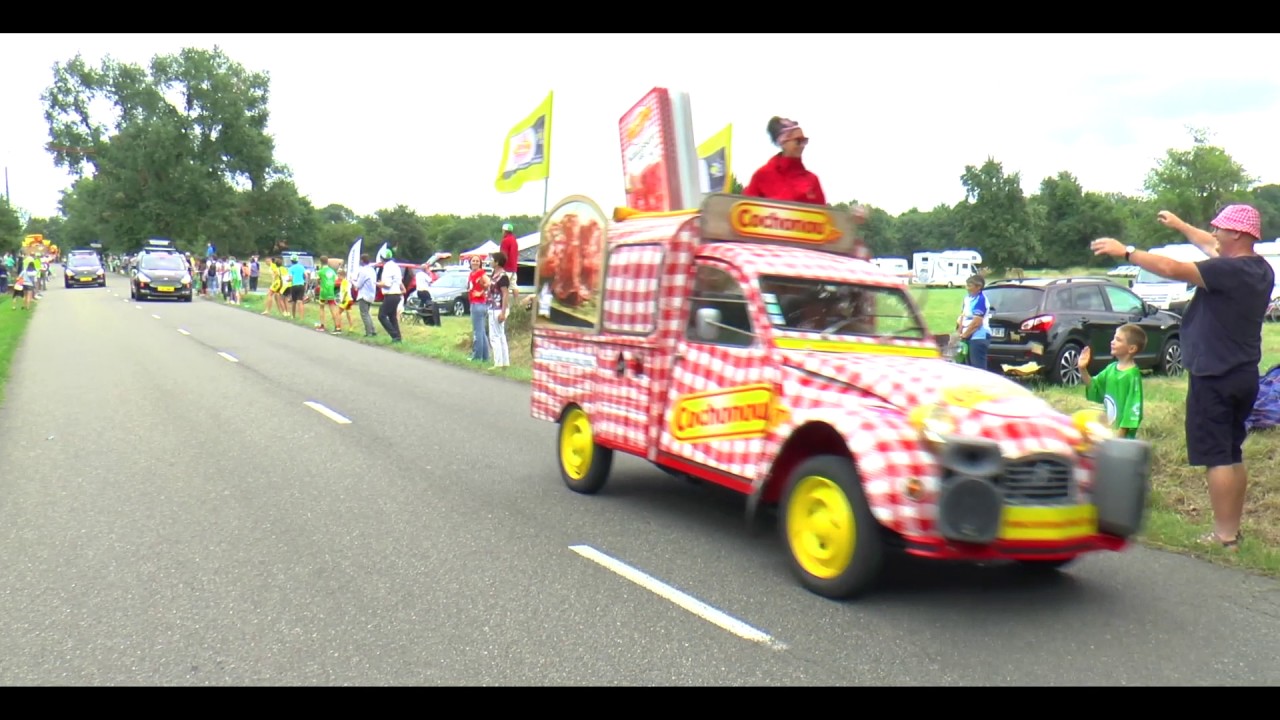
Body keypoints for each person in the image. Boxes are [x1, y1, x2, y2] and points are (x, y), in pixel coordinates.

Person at [1090, 204, 1274, 551]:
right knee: (1232, 454)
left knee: (1217, 456)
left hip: (1214, 375)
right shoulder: (1259, 270)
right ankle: (1232, 531)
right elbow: (1208, 244)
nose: (1214, 232)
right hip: (1243, 373)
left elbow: (1172, 267)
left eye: (1220, 227)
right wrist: (1180, 224)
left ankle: (1223, 537)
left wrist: (1126, 252)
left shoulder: (1225, 272)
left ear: (1236, 233)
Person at [1078, 323, 1146, 438]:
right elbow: (1094, 386)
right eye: (1114, 338)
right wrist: (1082, 368)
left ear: (1132, 348)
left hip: (1122, 442)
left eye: (1118, 340)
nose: (1112, 342)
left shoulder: (1132, 376)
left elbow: (1132, 410)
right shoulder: (1111, 369)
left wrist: (1119, 438)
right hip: (1108, 434)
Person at [743, 117, 824, 205]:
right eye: (798, 141)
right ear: (783, 142)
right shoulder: (762, 175)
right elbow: (746, 209)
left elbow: (824, 214)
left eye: (804, 141)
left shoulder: (812, 180)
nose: (802, 145)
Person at [955, 274, 992, 372]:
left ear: (978, 287)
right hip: (966, 336)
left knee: (977, 369)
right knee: (965, 367)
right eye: (967, 285)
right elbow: (962, 316)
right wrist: (959, 332)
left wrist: (965, 335)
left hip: (979, 337)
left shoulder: (981, 299)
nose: (967, 288)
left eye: (970, 285)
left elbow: (977, 322)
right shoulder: (967, 298)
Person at [467, 255, 491, 362]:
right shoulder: (472, 274)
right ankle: (485, 356)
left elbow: (489, 283)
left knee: (477, 332)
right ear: (470, 262)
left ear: (480, 263)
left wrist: (481, 292)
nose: (475, 262)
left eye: (477, 261)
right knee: (481, 331)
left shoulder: (481, 273)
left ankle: (477, 356)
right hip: (474, 303)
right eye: (473, 261)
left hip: (478, 304)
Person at [376, 248, 403, 343]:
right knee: (392, 316)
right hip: (397, 294)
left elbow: (387, 284)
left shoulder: (387, 268)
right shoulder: (396, 266)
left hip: (390, 294)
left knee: (381, 315)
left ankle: (394, 334)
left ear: (382, 258)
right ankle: (397, 337)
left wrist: (378, 284)